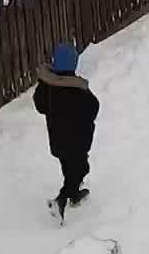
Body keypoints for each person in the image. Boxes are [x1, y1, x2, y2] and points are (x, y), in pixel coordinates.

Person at [34, 42, 101, 221]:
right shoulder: (77, 89)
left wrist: (43, 82)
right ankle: (61, 200)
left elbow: (39, 106)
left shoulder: (48, 87)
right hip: (77, 141)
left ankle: (74, 195)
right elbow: (94, 107)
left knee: (69, 170)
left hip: (57, 140)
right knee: (80, 169)